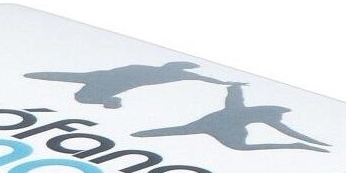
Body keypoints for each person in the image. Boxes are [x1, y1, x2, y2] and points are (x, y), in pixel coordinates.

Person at [135, 82, 329, 152]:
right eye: (279, 112)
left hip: (221, 125)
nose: (279, 116)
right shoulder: (256, 113)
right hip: (218, 125)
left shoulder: (241, 109)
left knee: (183, 130)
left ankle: (140, 134)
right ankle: (140, 134)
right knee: (239, 147)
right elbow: (289, 132)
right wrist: (234, 87)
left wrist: (234, 86)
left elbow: (235, 94)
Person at [24, 60, 224, 109]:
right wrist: (224, 83)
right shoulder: (175, 74)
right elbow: (201, 78)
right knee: (72, 81)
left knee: (79, 88)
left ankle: (104, 100)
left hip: (108, 81)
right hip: (107, 79)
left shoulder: (177, 74)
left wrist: (224, 82)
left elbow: (202, 78)